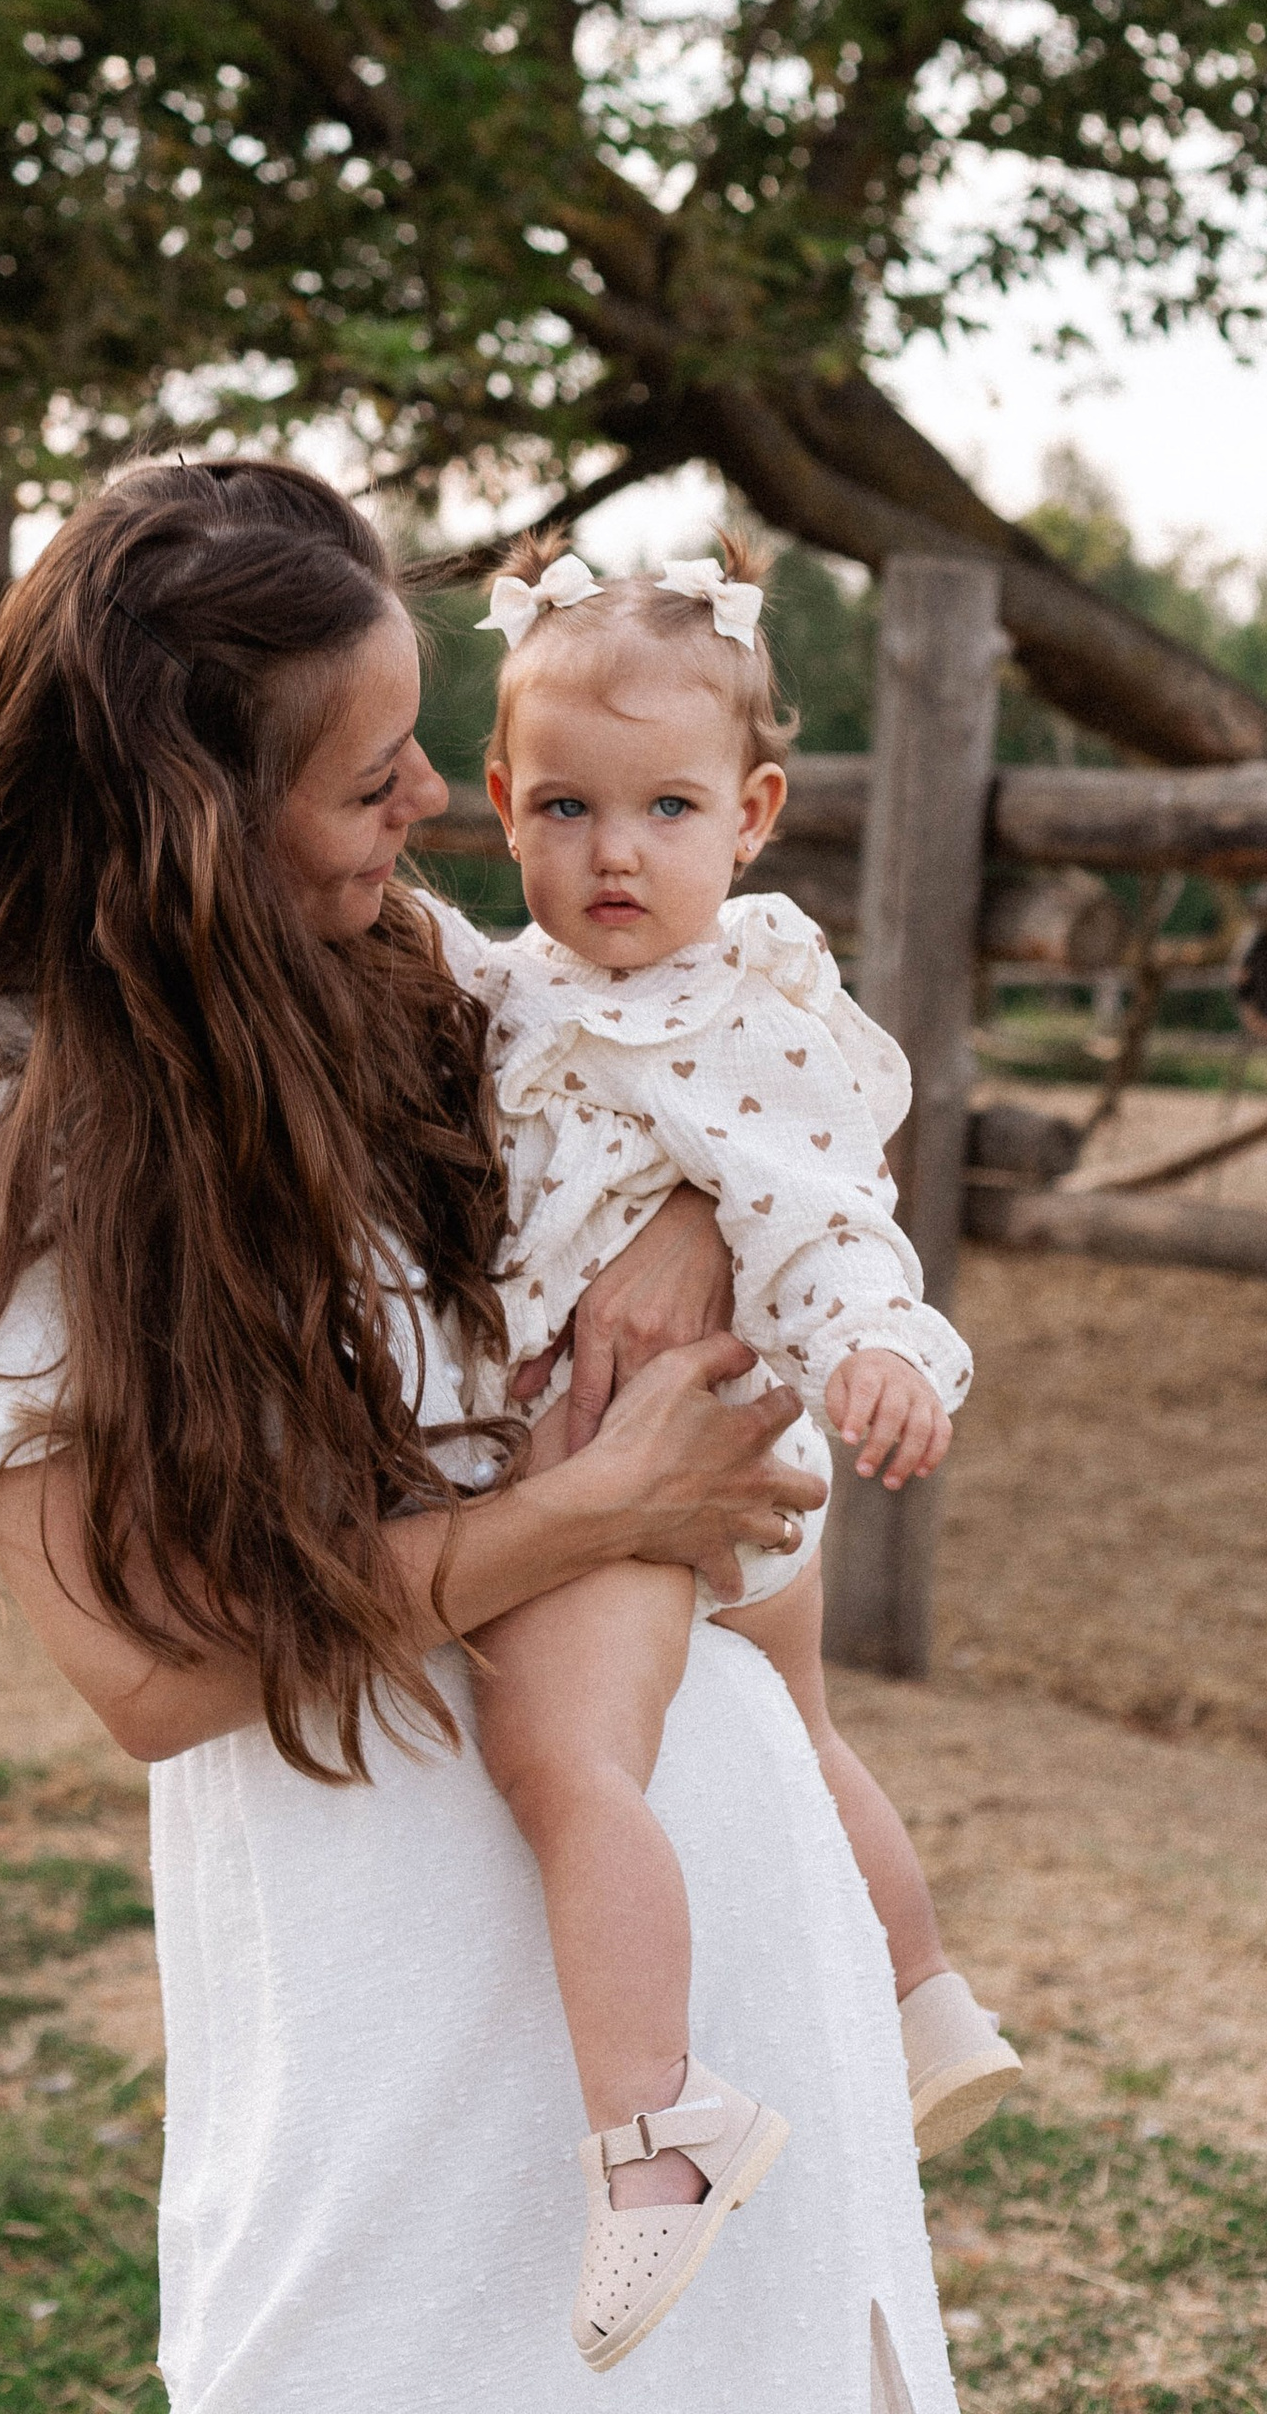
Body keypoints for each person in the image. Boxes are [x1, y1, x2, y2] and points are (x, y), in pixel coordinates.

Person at [0, 457, 958, 2413]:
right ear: (190, 819)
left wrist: (694, 1231)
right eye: (368, 782)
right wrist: (598, 1508)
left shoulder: (398, 971)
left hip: (722, 1920)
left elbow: (721, 1087)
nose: (433, 810)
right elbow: (151, 1670)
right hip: (396, 1963)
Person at [445, 535, 1017, 2364]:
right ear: (502, 806)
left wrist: (884, 1347)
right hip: (703, 1452)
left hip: (672, 1450)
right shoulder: (537, 981)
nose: (616, 853)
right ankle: (921, 1991)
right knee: (805, 1723)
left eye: (667, 806)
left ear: (755, 813)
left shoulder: (724, 1021)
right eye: (568, 806)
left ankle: (660, 2131)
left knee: (558, 1759)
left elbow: (827, 1211)